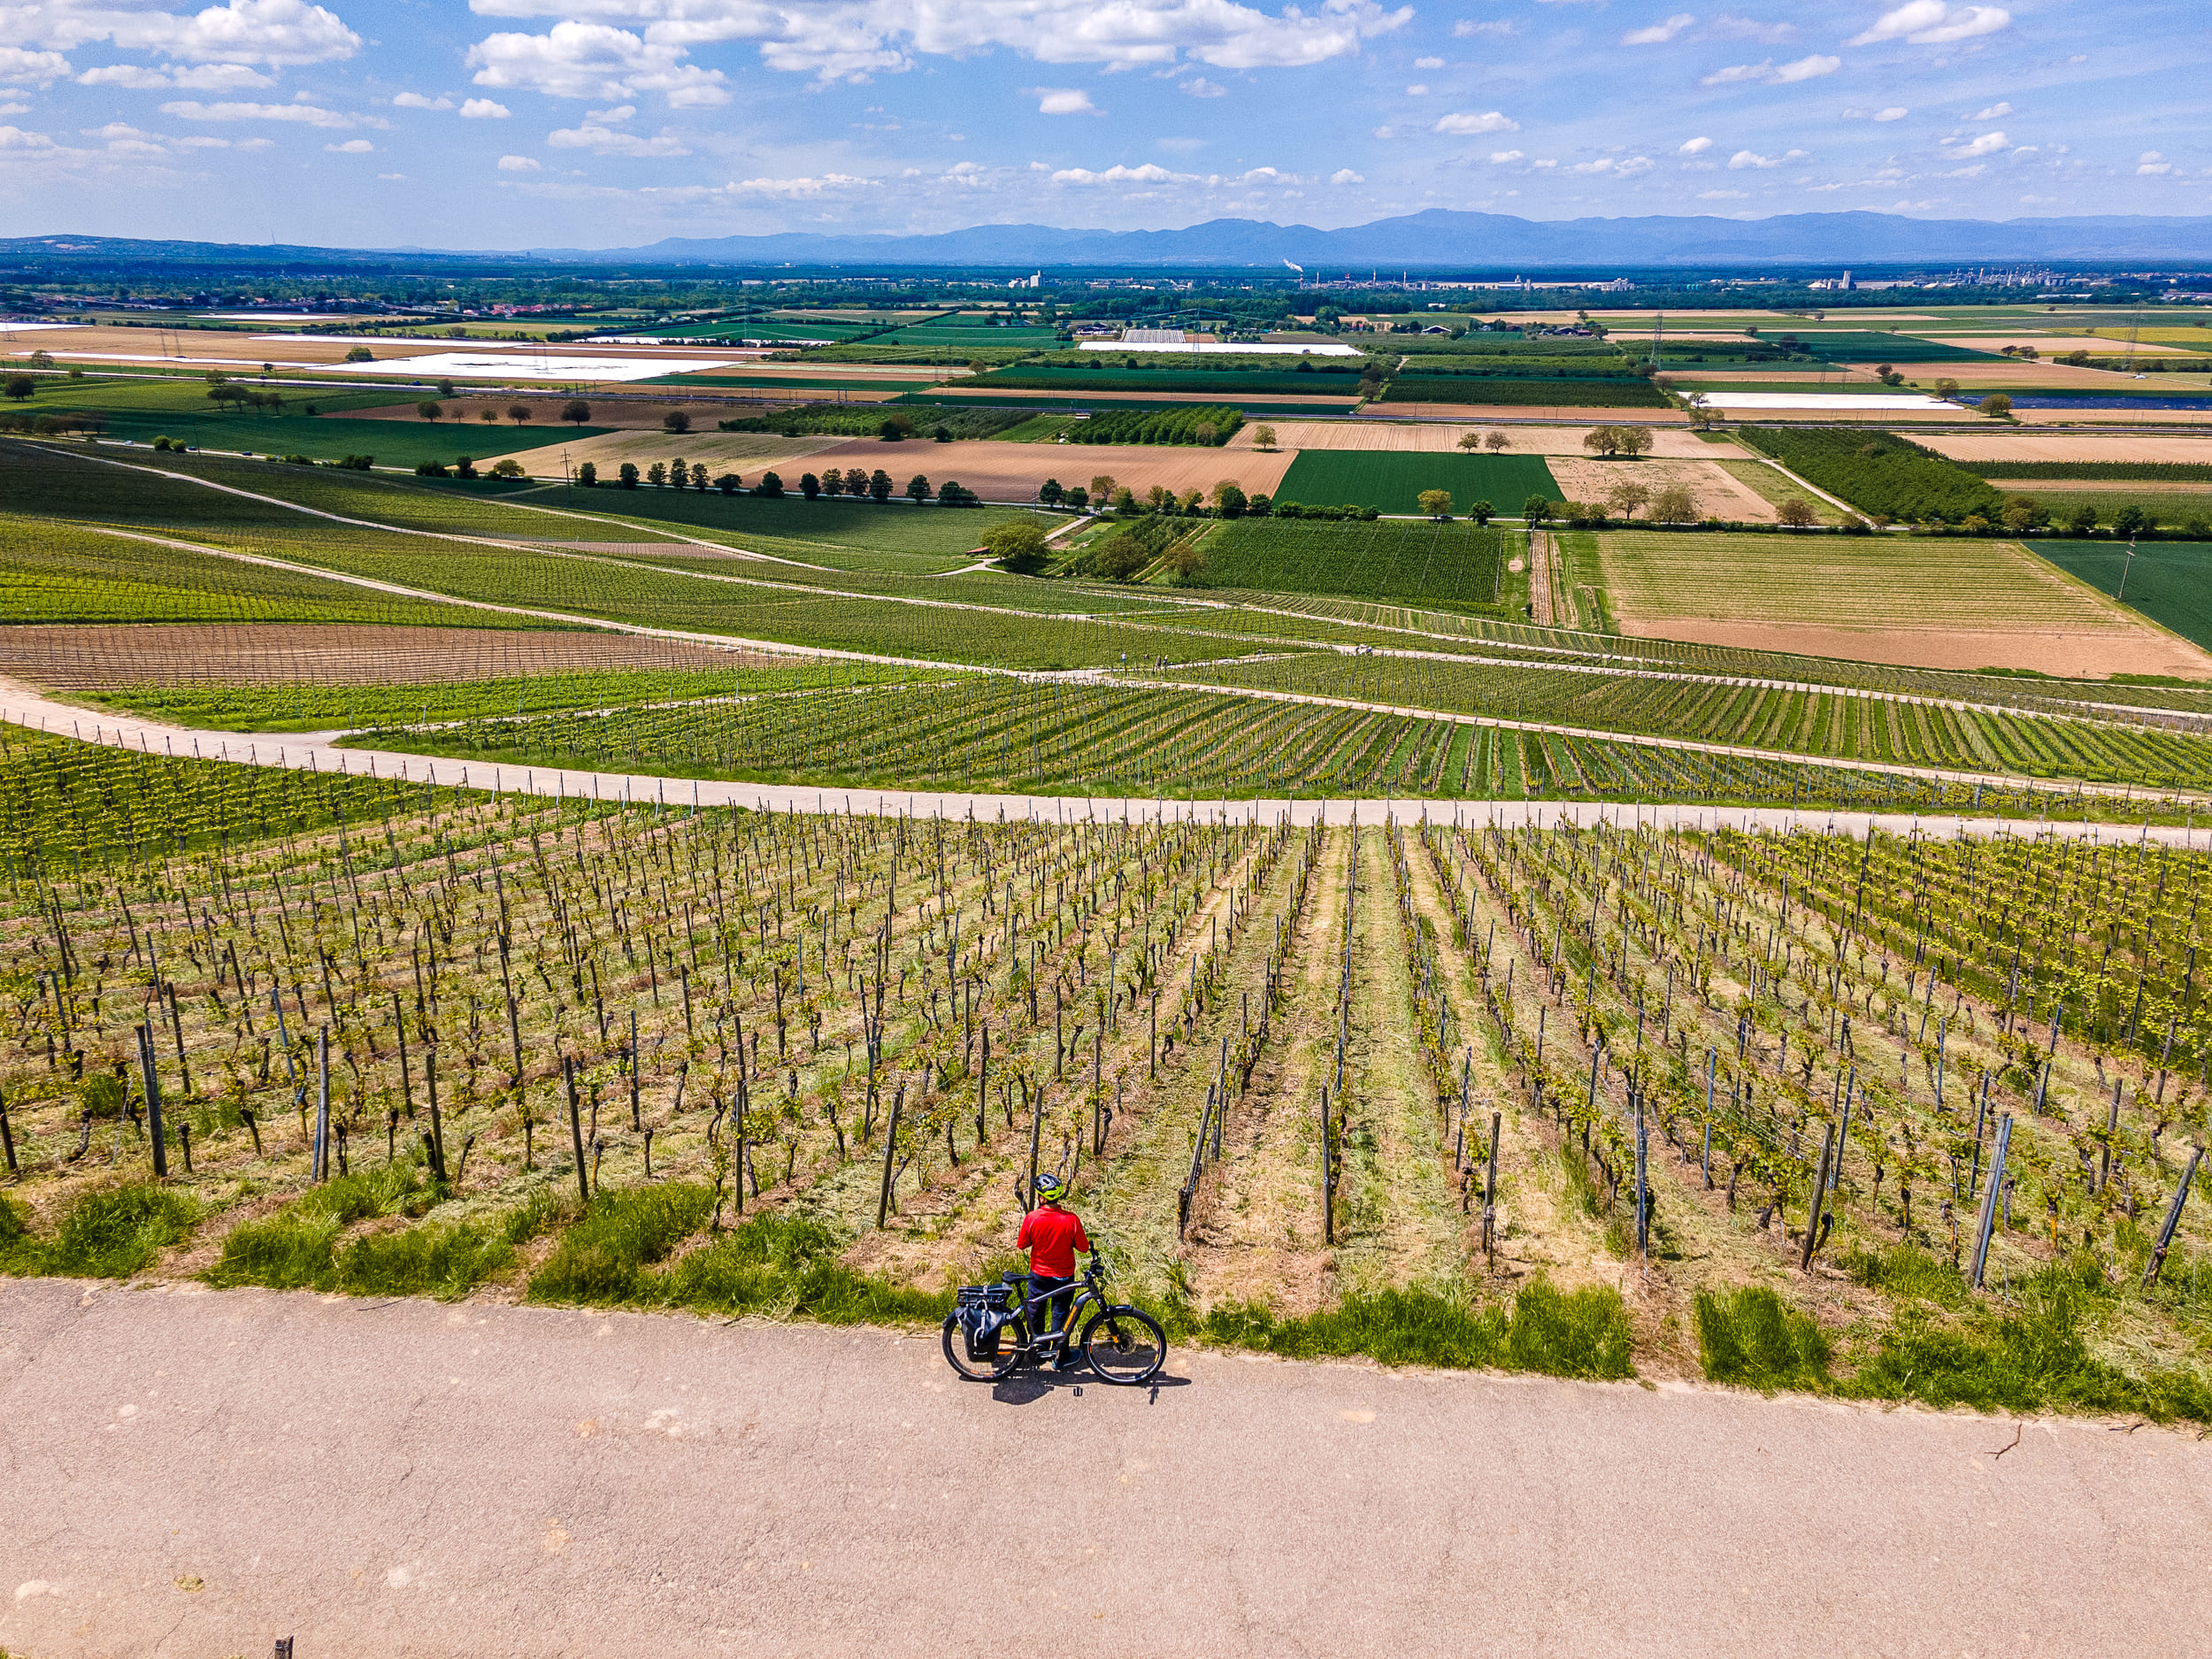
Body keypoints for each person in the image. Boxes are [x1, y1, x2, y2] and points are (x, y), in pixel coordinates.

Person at [1018, 1173, 1090, 1367]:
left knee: (1036, 1312)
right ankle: (1059, 1356)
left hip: (1038, 1276)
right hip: (1063, 1277)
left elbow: (1022, 1244)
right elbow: (1084, 1248)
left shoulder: (1032, 1218)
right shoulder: (1071, 1220)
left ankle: (1038, 1351)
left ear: (1042, 1198)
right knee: (1060, 1314)